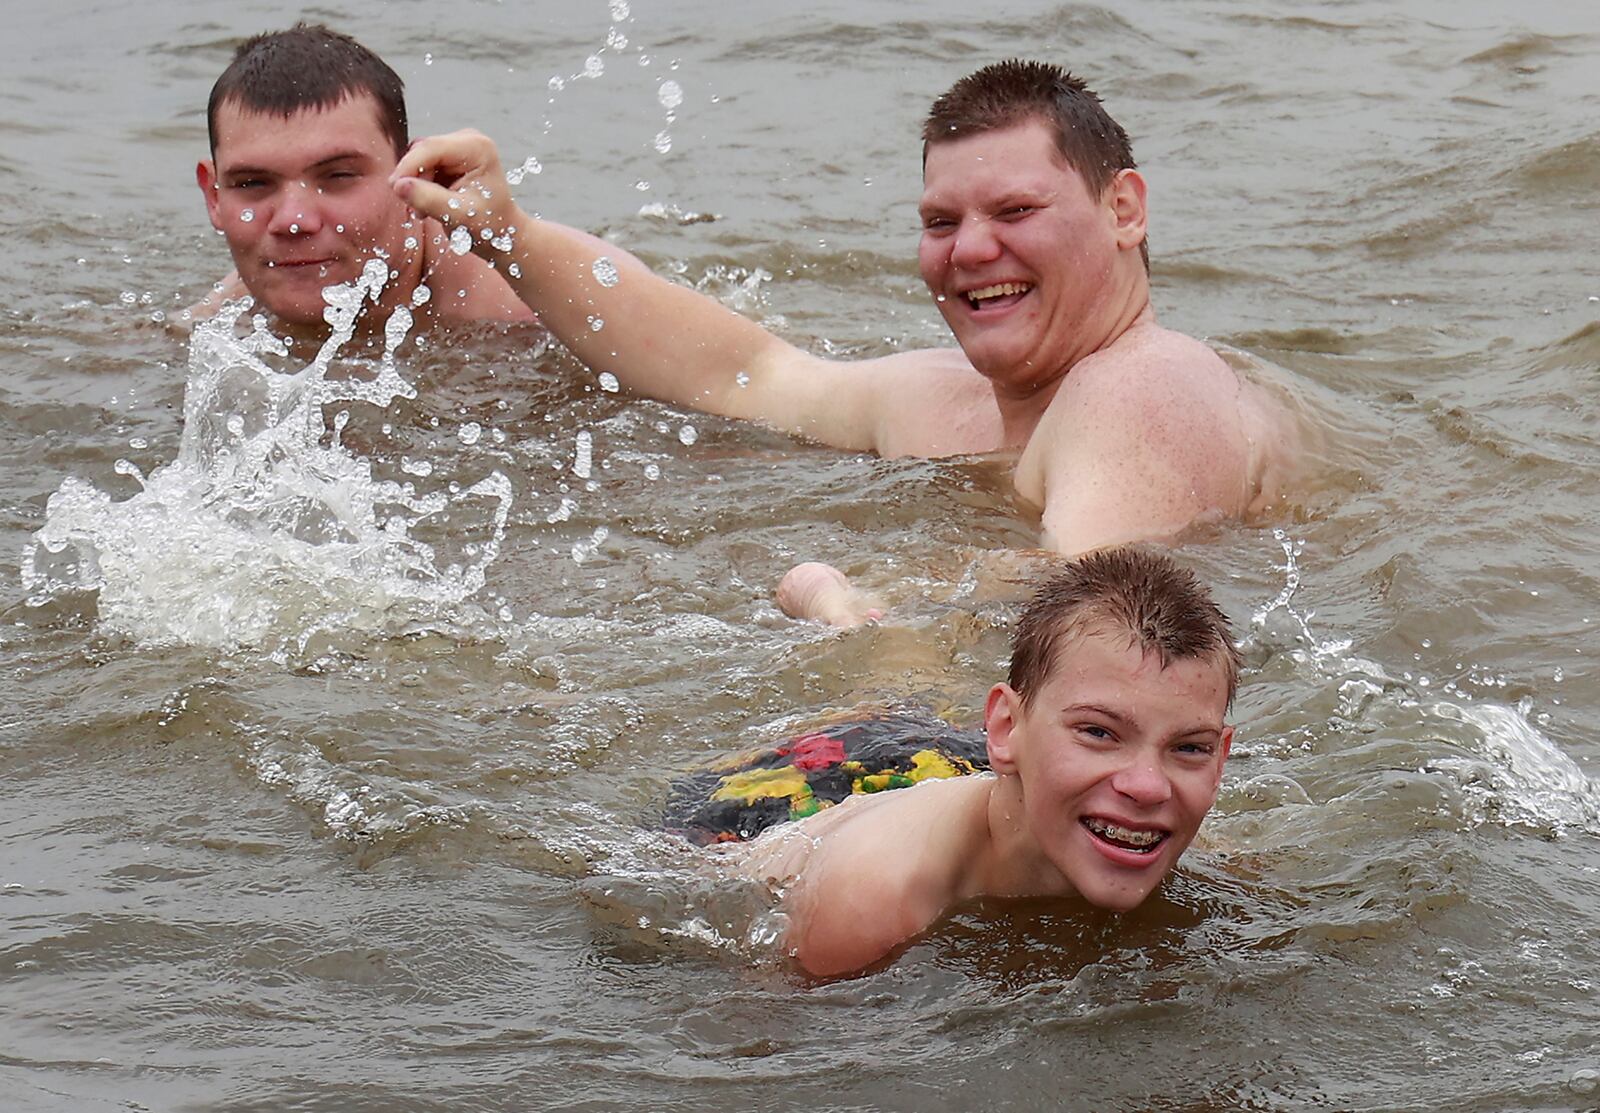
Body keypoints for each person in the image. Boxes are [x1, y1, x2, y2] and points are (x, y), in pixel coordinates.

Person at [389, 60, 1304, 614]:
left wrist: (847, 599)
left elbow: (1088, 613)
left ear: (1124, 209)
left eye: (1016, 209)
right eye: (942, 222)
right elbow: (746, 370)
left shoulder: (1147, 387)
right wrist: (510, 231)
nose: (973, 249)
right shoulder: (943, 400)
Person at [729, 547, 1240, 977]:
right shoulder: (871, 903)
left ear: (1219, 760)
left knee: (910, 694)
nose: (1149, 788)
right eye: (1099, 732)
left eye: (1189, 747)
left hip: (972, 769)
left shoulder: (1155, 819)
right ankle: (836, 610)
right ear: (1005, 730)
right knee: (883, 703)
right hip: (796, 795)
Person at [192, 23, 532, 340]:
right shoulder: (212, 325)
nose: (293, 221)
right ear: (214, 198)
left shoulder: (522, 315)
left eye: (338, 176)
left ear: (419, 175)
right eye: (252, 183)